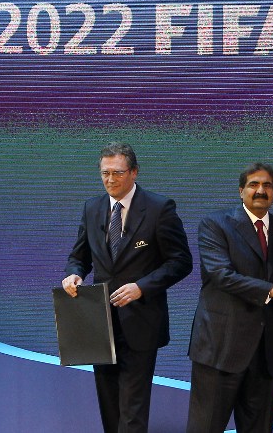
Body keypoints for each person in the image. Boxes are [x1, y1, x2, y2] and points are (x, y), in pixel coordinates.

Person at [62, 142, 193, 432]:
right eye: (105, 173)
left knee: (133, 410)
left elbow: (181, 262)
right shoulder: (92, 208)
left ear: (134, 172)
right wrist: (74, 274)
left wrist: (142, 287)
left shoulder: (160, 208)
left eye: (117, 173)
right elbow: (78, 257)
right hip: (100, 323)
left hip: (141, 321)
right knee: (109, 406)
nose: (110, 180)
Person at [186, 162, 273, 433]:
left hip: (267, 353)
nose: (260, 191)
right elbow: (221, 275)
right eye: (253, 184)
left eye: (267, 185)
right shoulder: (215, 224)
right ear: (241, 190)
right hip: (221, 349)